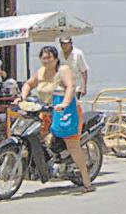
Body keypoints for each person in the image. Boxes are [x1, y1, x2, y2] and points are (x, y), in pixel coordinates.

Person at [20, 45, 93, 192]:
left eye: (49, 58)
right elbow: (28, 84)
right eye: (43, 58)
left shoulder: (63, 70)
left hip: (66, 111)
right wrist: (22, 97)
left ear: (55, 59)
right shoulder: (41, 72)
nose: (46, 61)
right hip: (45, 112)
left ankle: (87, 181)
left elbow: (71, 87)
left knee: (72, 145)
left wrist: (64, 103)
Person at [59, 37, 89, 101]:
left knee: (74, 105)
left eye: (66, 44)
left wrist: (84, 87)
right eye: (62, 44)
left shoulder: (78, 53)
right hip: (62, 88)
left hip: (76, 87)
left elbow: (83, 71)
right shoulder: (59, 53)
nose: (64, 46)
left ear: (71, 43)